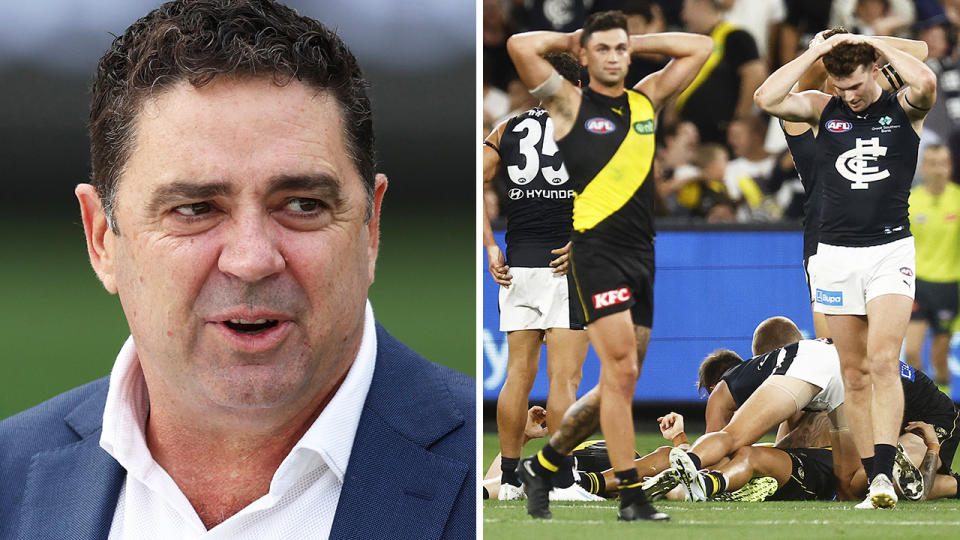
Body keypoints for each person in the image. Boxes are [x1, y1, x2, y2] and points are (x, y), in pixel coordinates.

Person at [0, 2, 475, 538]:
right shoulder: (8, 479)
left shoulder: (490, 481)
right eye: (196, 209)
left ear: (370, 227)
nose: (252, 259)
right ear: (102, 238)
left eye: (301, 205)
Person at [505, 10, 712, 521]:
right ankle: (631, 497)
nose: (616, 57)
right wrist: (578, 38)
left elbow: (700, 47)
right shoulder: (569, 104)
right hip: (594, 253)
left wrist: (631, 40)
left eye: (622, 50)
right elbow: (519, 45)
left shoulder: (646, 101)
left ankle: (544, 464)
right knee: (618, 372)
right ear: (586, 57)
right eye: (605, 50)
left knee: (625, 374)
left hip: (643, 251)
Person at [754, 30, 937, 509]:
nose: (849, 96)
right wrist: (816, 53)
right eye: (841, 88)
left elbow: (925, 76)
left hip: (888, 250)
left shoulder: (904, 109)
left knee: (882, 360)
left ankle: (885, 461)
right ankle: (876, 478)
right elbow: (766, 97)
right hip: (833, 255)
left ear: (875, 70)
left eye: (855, 86)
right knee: (852, 372)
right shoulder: (822, 106)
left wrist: (867, 42)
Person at [483, 52, 590, 500]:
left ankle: (508, 479)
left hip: (517, 265)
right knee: (563, 380)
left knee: (517, 376)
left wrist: (490, 244)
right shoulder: (588, 128)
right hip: (566, 264)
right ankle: (562, 481)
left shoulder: (506, 128)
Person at [779, 28, 928, 341]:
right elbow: (796, 87)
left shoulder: (867, 99)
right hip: (825, 240)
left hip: (879, 236)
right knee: (832, 350)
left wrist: (864, 42)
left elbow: (920, 52)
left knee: (880, 351)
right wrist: (819, 50)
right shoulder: (807, 110)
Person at [905, 144, 960, 389]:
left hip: (949, 286)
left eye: (943, 163)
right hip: (917, 284)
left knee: (940, 358)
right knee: (913, 352)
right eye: (933, 164)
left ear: (950, 167)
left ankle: (946, 418)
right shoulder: (911, 201)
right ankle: (922, 406)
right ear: (923, 167)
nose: (938, 169)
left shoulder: (957, 199)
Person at [675, 0, 768, 144]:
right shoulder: (691, 44)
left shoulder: (736, 37)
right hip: (689, 136)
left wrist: (740, 118)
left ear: (700, 4)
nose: (682, 16)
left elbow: (755, 75)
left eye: (684, 8)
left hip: (722, 137)